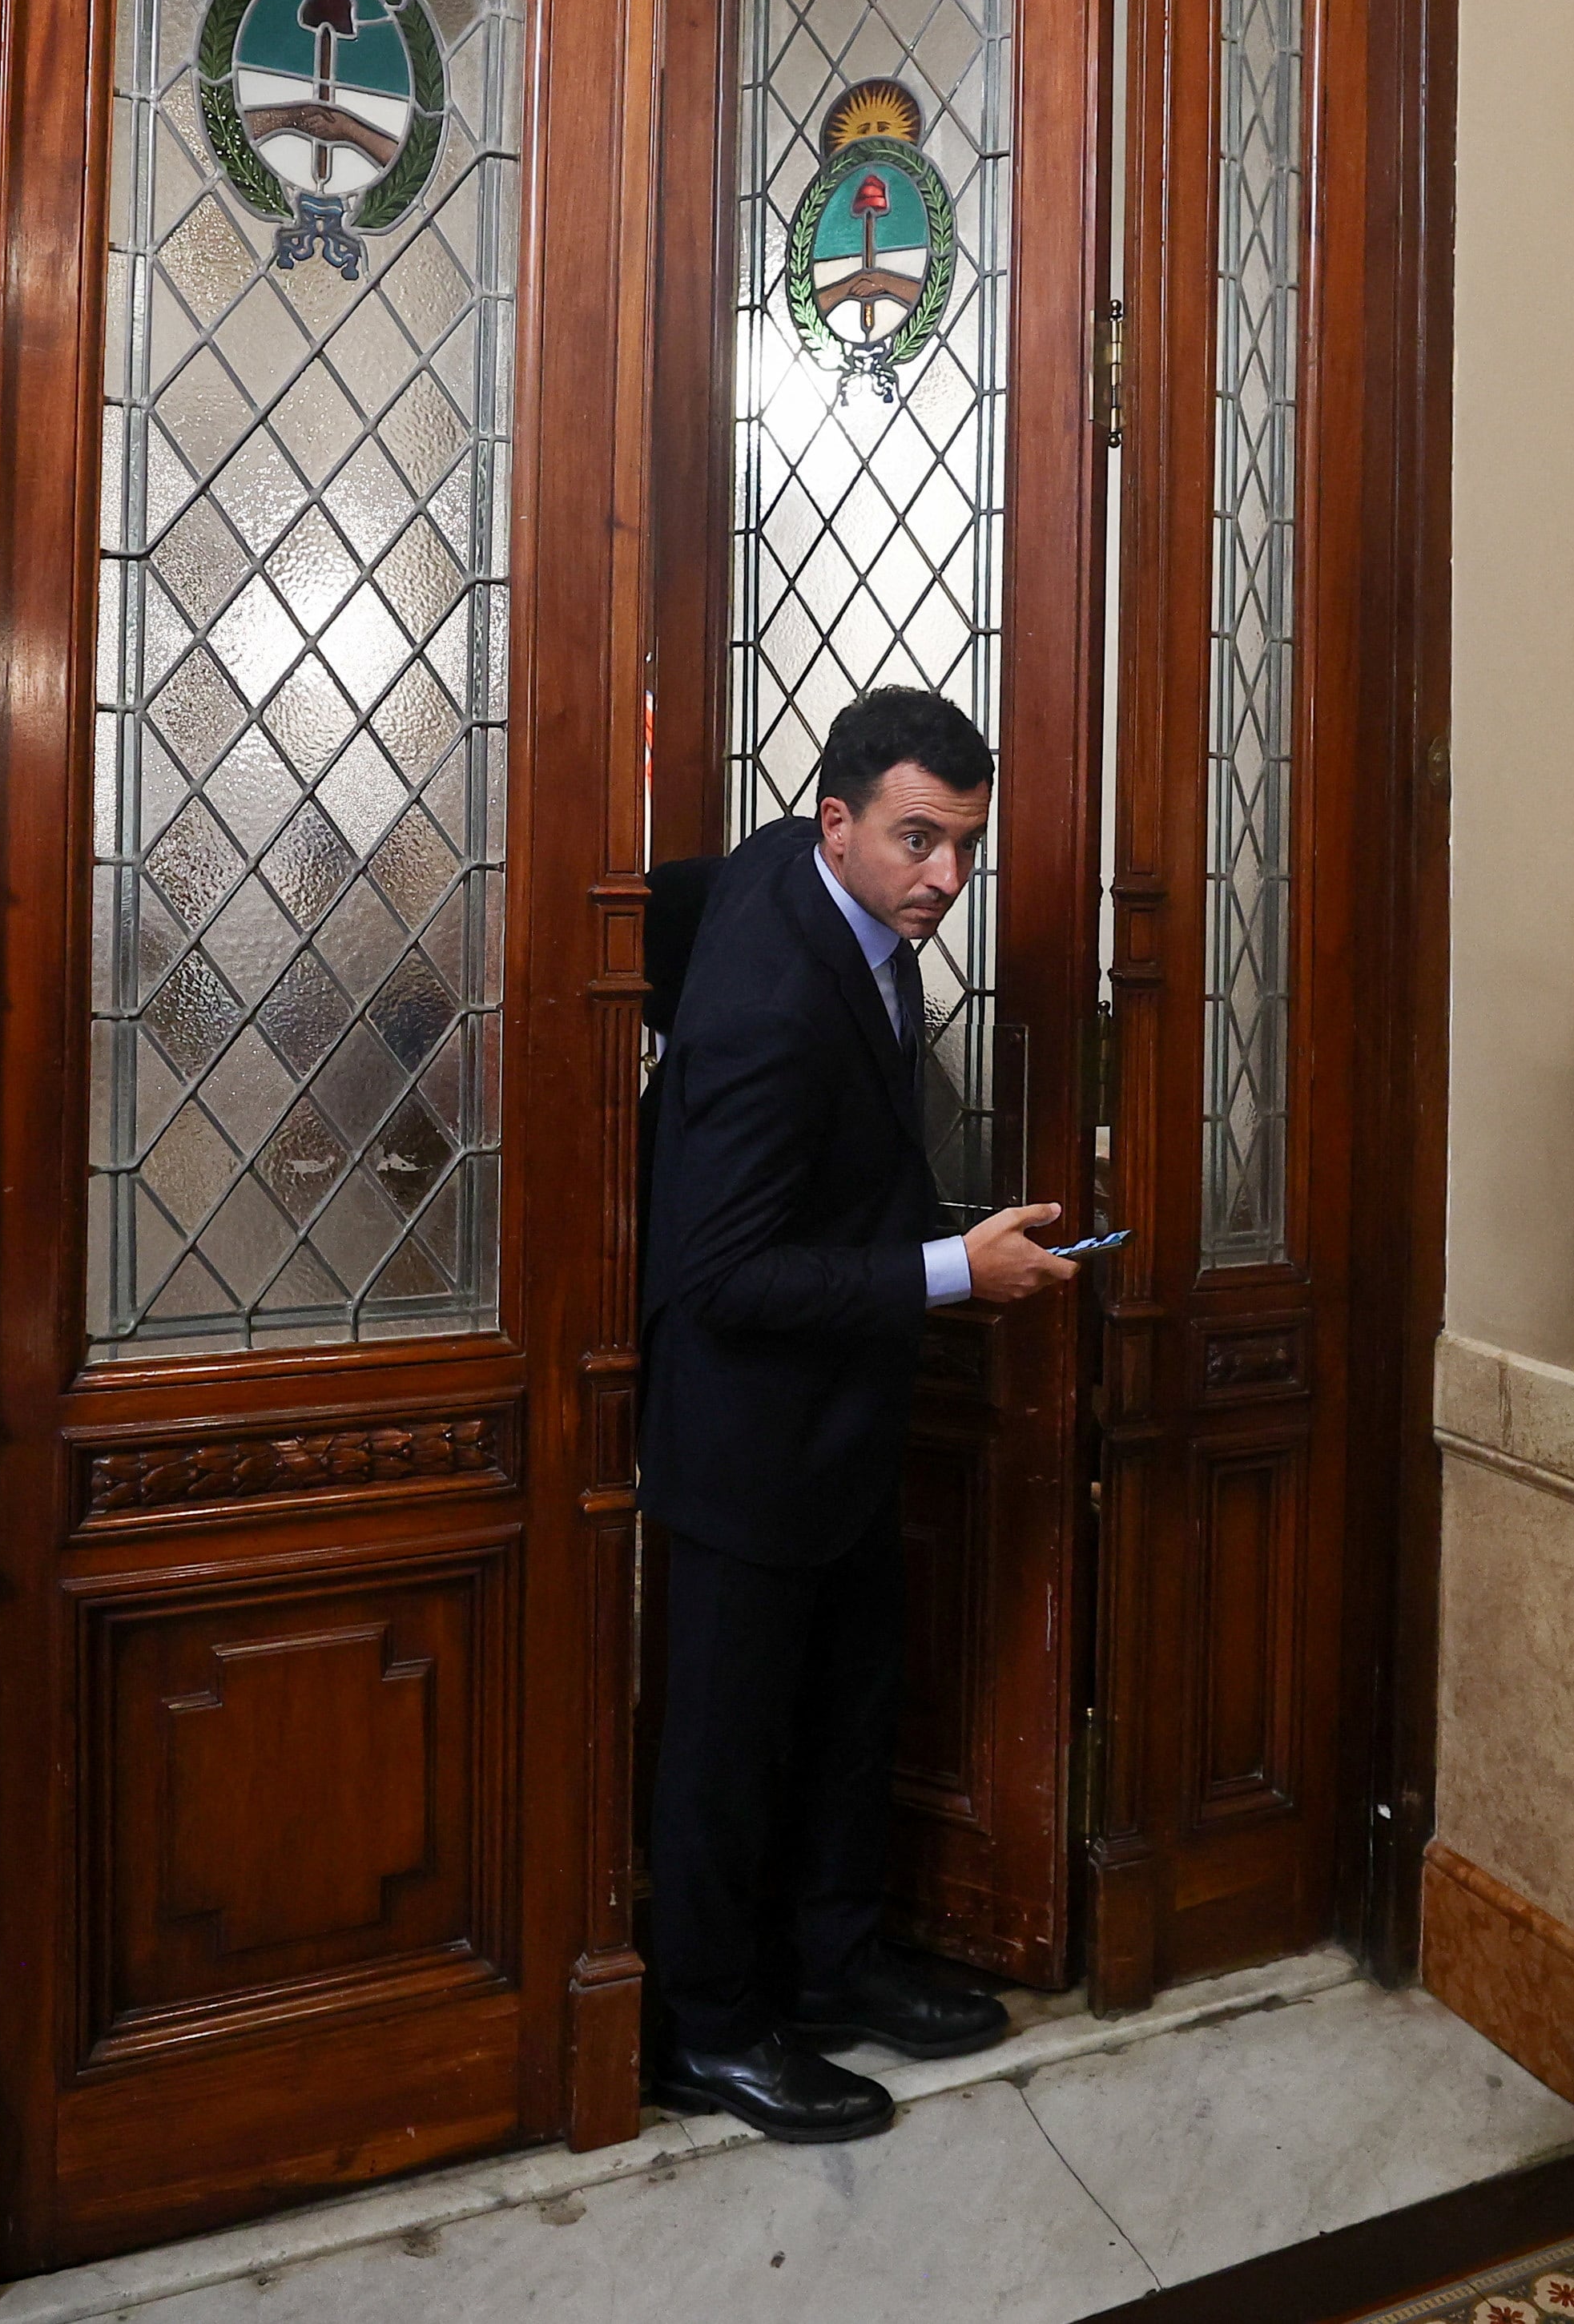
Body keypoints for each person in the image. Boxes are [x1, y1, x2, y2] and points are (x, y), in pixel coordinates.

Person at [637, 685, 1077, 2142]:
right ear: (836, 820)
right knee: (726, 1748)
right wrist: (960, 1268)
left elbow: (669, 899)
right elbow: (724, 1271)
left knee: (843, 1717)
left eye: (962, 845)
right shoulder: (769, 996)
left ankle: (830, 1971)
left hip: (840, 1425)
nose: (944, 878)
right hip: (747, 1439)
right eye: (916, 841)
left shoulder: (797, 870)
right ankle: (710, 2028)